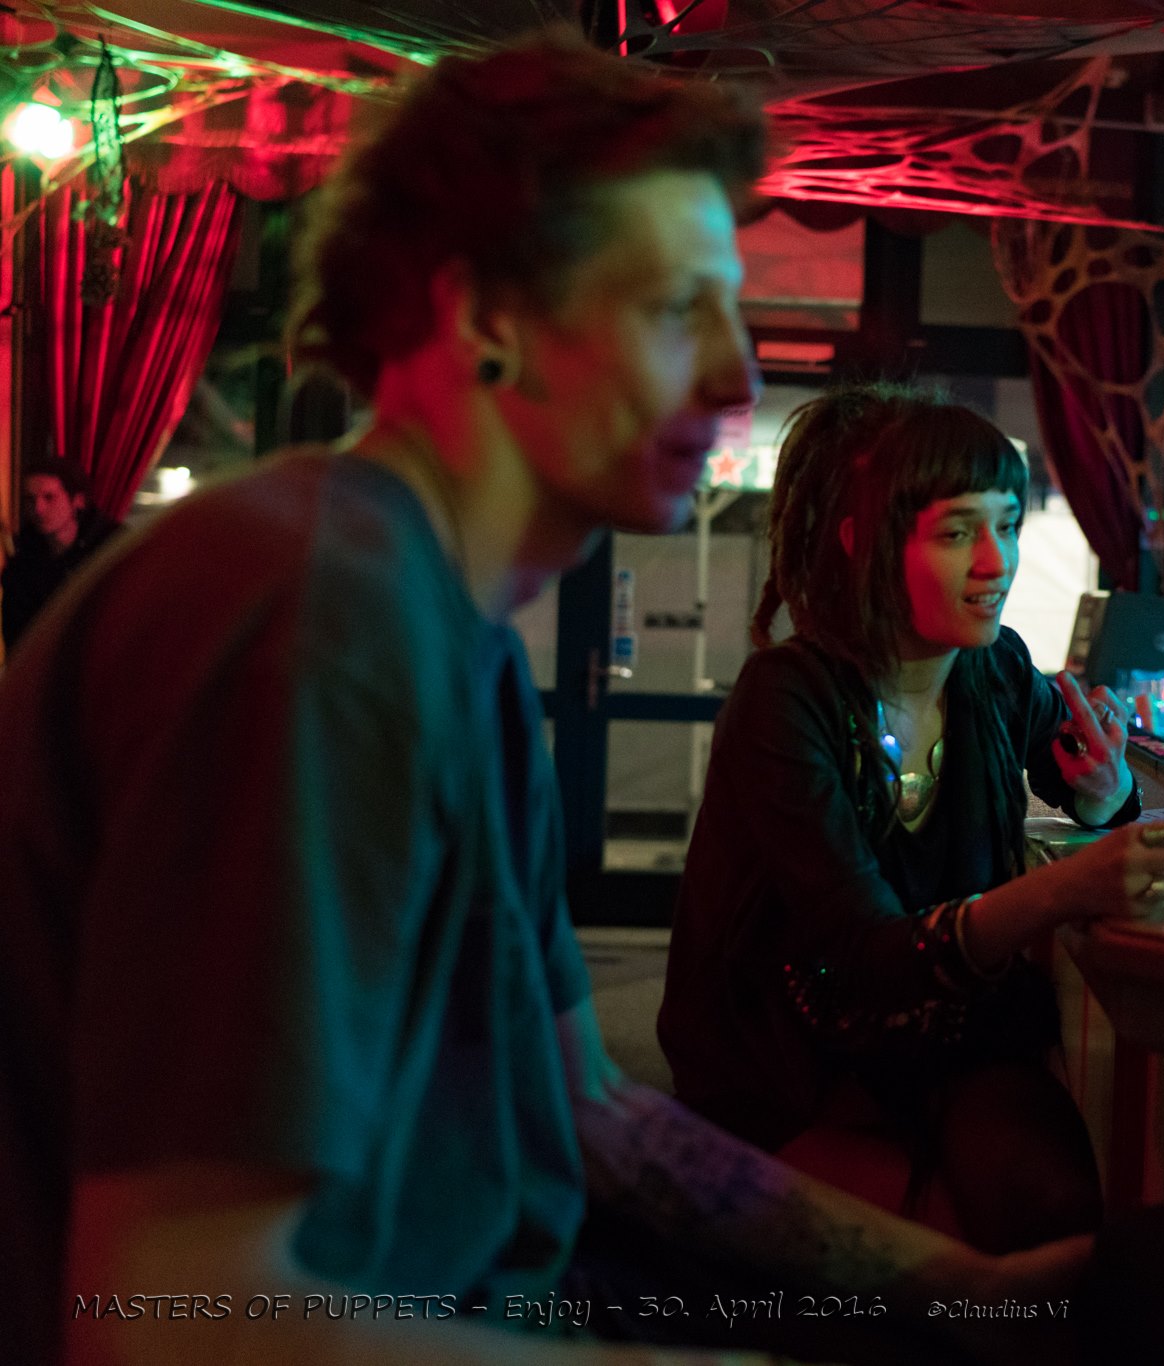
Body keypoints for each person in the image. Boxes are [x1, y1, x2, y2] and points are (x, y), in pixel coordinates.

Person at [0, 32, 1085, 1366]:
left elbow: (585, 1106)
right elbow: (175, 1320)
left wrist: (961, 1291)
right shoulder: (315, 614)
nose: (737, 380)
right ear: (490, 322)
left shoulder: (450, 636)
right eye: (677, 310)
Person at [660, 384, 1164, 1254]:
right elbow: (860, 957)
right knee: (948, 1263)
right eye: (959, 533)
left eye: (1008, 525)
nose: (997, 563)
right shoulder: (789, 697)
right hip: (792, 1068)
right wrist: (1059, 891)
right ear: (864, 543)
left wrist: (1106, 791)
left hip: (956, 1046)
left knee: (1053, 1218)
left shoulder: (994, 670)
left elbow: (1084, 779)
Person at [1, 456, 122, 651]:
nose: (38, 509)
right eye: (30, 499)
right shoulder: (23, 562)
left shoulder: (111, 548)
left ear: (78, 501)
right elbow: (18, 637)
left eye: (49, 497)